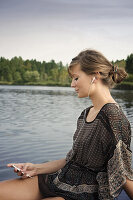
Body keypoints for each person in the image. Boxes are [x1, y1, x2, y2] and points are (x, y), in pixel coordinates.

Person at [0, 49, 133, 200]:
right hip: (59, 180)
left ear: (94, 76)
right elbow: (71, 160)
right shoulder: (85, 114)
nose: (72, 84)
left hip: (84, 193)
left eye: (76, 78)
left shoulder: (113, 117)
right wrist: (35, 168)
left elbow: (123, 173)